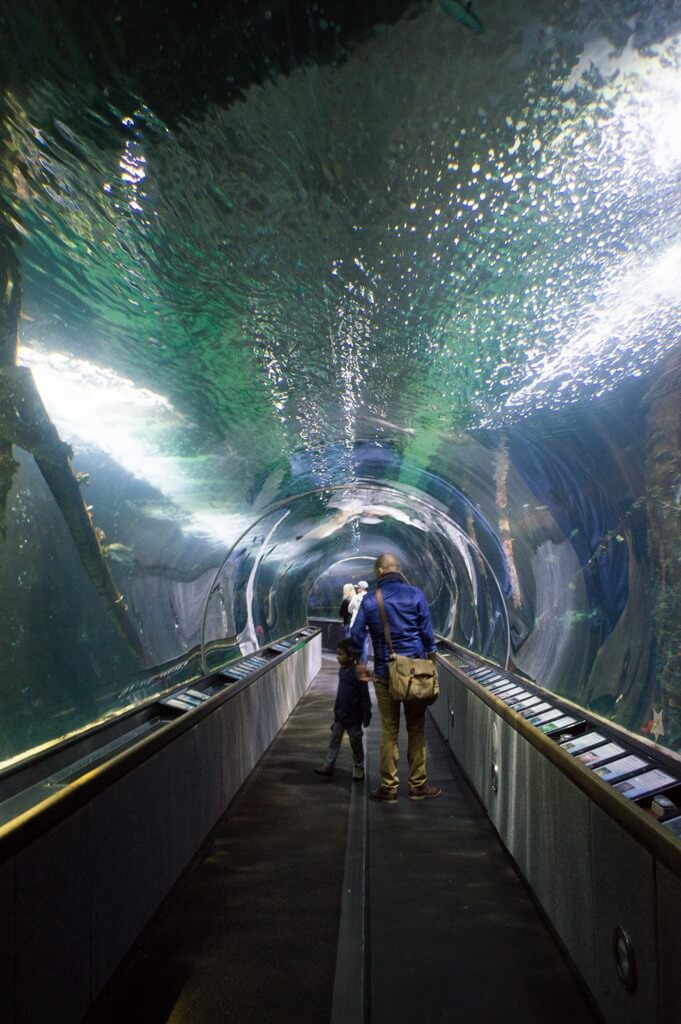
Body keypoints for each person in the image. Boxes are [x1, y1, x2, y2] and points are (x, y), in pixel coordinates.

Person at [350, 553, 441, 803]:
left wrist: (359, 663)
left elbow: (356, 634)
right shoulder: (416, 595)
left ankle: (389, 788)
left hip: (384, 673)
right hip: (415, 673)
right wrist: (430, 660)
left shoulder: (370, 600)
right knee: (416, 729)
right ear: (397, 570)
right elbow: (427, 634)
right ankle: (417, 785)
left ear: (380, 572)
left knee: (389, 731)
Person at [315, 640, 371, 780]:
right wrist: (336, 712)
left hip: (354, 717)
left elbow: (365, 696)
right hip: (340, 715)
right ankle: (329, 765)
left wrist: (366, 714)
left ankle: (359, 768)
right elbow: (341, 693)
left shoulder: (360, 672)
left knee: (355, 743)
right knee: (334, 741)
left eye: (340, 654)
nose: (337, 657)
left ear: (351, 656)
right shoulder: (342, 671)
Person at [348, 579, 370, 662]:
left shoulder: (355, 597)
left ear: (361, 588)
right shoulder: (370, 597)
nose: (357, 590)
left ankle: (356, 663)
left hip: (354, 624)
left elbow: (349, 609)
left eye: (358, 588)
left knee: (355, 645)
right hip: (366, 625)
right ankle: (364, 664)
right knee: (365, 646)